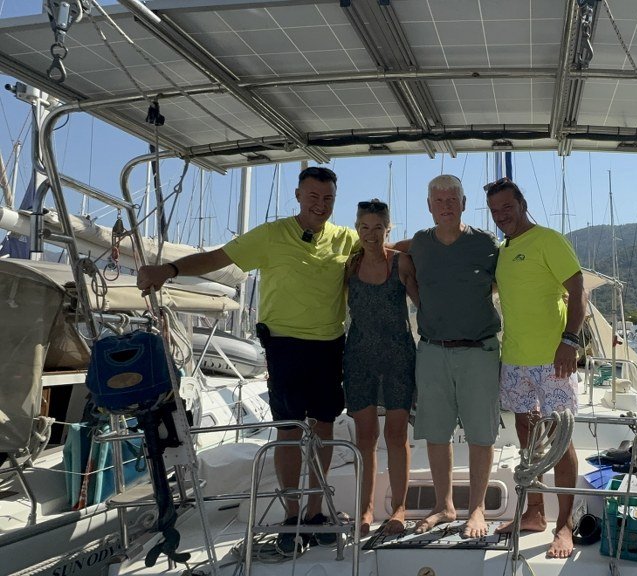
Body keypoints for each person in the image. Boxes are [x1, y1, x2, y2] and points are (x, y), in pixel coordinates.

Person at [136, 166, 358, 551]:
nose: (320, 205)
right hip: (285, 347)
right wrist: (169, 270)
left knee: (324, 430)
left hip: (329, 346)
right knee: (288, 432)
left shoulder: (346, 239)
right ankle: (292, 517)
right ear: (298, 196)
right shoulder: (271, 235)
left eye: (328, 199)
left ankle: (315, 513)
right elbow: (217, 258)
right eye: (313, 197)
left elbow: (383, 249)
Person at [485, 177, 585, 559]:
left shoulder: (548, 240)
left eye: (507, 207)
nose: (501, 216)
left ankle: (564, 525)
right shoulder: (502, 252)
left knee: (560, 438)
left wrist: (570, 340)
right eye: (495, 211)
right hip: (514, 359)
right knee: (527, 436)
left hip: (552, 359)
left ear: (522, 204)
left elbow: (578, 290)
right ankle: (535, 513)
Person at [406, 174, 501, 539]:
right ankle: (443, 506)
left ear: (463, 204)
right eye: (439, 201)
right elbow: (396, 258)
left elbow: (506, 279)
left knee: (481, 433)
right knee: (436, 432)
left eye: (452, 200)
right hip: (432, 349)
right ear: (429, 206)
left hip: (479, 350)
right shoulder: (420, 243)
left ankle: (476, 508)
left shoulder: (485, 243)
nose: (445, 206)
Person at [343, 199, 418, 536]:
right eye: (364, 227)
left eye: (378, 228)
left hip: (398, 356)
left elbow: (423, 303)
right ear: (357, 228)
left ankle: (399, 509)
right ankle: (365, 509)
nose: (371, 234)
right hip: (359, 357)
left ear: (388, 230)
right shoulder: (349, 264)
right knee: (365, 437)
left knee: (397, 435)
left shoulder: (401, 262)